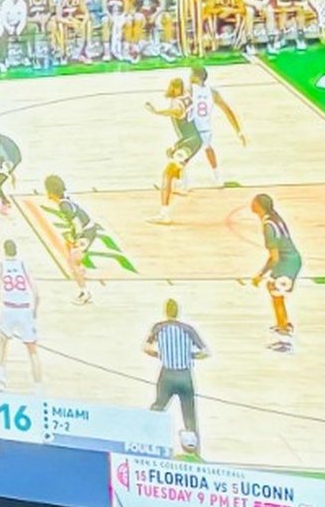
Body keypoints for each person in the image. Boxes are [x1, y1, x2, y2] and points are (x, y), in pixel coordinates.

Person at [40, 173, 135, 302]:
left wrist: (77, 240)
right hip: (88, 228)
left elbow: (76, 223)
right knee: (71, 254)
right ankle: (81, 270)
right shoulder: (64, 199)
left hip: (86, 232)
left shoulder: (64, 206)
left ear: (51, 192)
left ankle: (84, 293)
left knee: (72, 261)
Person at [143, 297, 208, 454]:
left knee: (158, 407)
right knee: (189, 414)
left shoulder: (159, 327)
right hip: (185, 375)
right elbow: (205, 352)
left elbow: (146, 347)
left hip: (167, 374)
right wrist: (190, 356)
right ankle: (194, 451)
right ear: (178, 312)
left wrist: (160, 354)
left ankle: (147, 440)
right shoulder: (188, 329)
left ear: (166, 312)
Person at [247, 190, 302, 348]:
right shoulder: (273, 218)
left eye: (253, 202)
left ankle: (285, 338)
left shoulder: (268, 226)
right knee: (274, 292)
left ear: (258, 206)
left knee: (277, 296)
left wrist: (260, 274)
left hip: (287, 262)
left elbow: (275, 257)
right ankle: (283, 324)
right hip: (290, 259)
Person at [0, 238, 45, 384]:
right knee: (33, 351)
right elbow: (37, 292)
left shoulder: (1, 265)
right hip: (24, 309)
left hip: (9, 308)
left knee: (2, 343)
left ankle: (0, 379)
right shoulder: (23, 264)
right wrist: (35, 310)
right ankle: (38, 389)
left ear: (4, 250)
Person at [183, 62, 245, 177]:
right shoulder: (213, 93)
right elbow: (227, 111)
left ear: (196, 77)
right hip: (206, 129)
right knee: (207, 149)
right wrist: (238, 131)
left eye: (191, 74)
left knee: (182, 154)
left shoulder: (189, 91)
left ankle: (181, 182)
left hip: (193, 128)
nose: (189, 77)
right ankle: (217, 177)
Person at [152, 81, 203, 217]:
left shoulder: (177, 103)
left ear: (174, 88)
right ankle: (181, 185)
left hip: (190, 141)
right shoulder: (186, 96)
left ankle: (164, 213)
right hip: (193, 139)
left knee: (167, 173)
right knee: (173, 155)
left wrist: (157, 112)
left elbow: (175, 111)